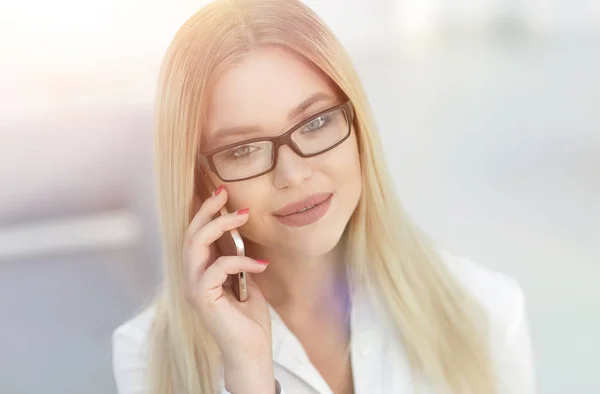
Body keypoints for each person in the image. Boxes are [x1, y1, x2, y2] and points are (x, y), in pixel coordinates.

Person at [112, 0, 536, 393]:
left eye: (316, 123)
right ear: (199, 180)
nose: (294, 174)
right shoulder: (148, 356)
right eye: (242, 150)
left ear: (359, 128)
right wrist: (248, 377)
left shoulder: (487, 310)